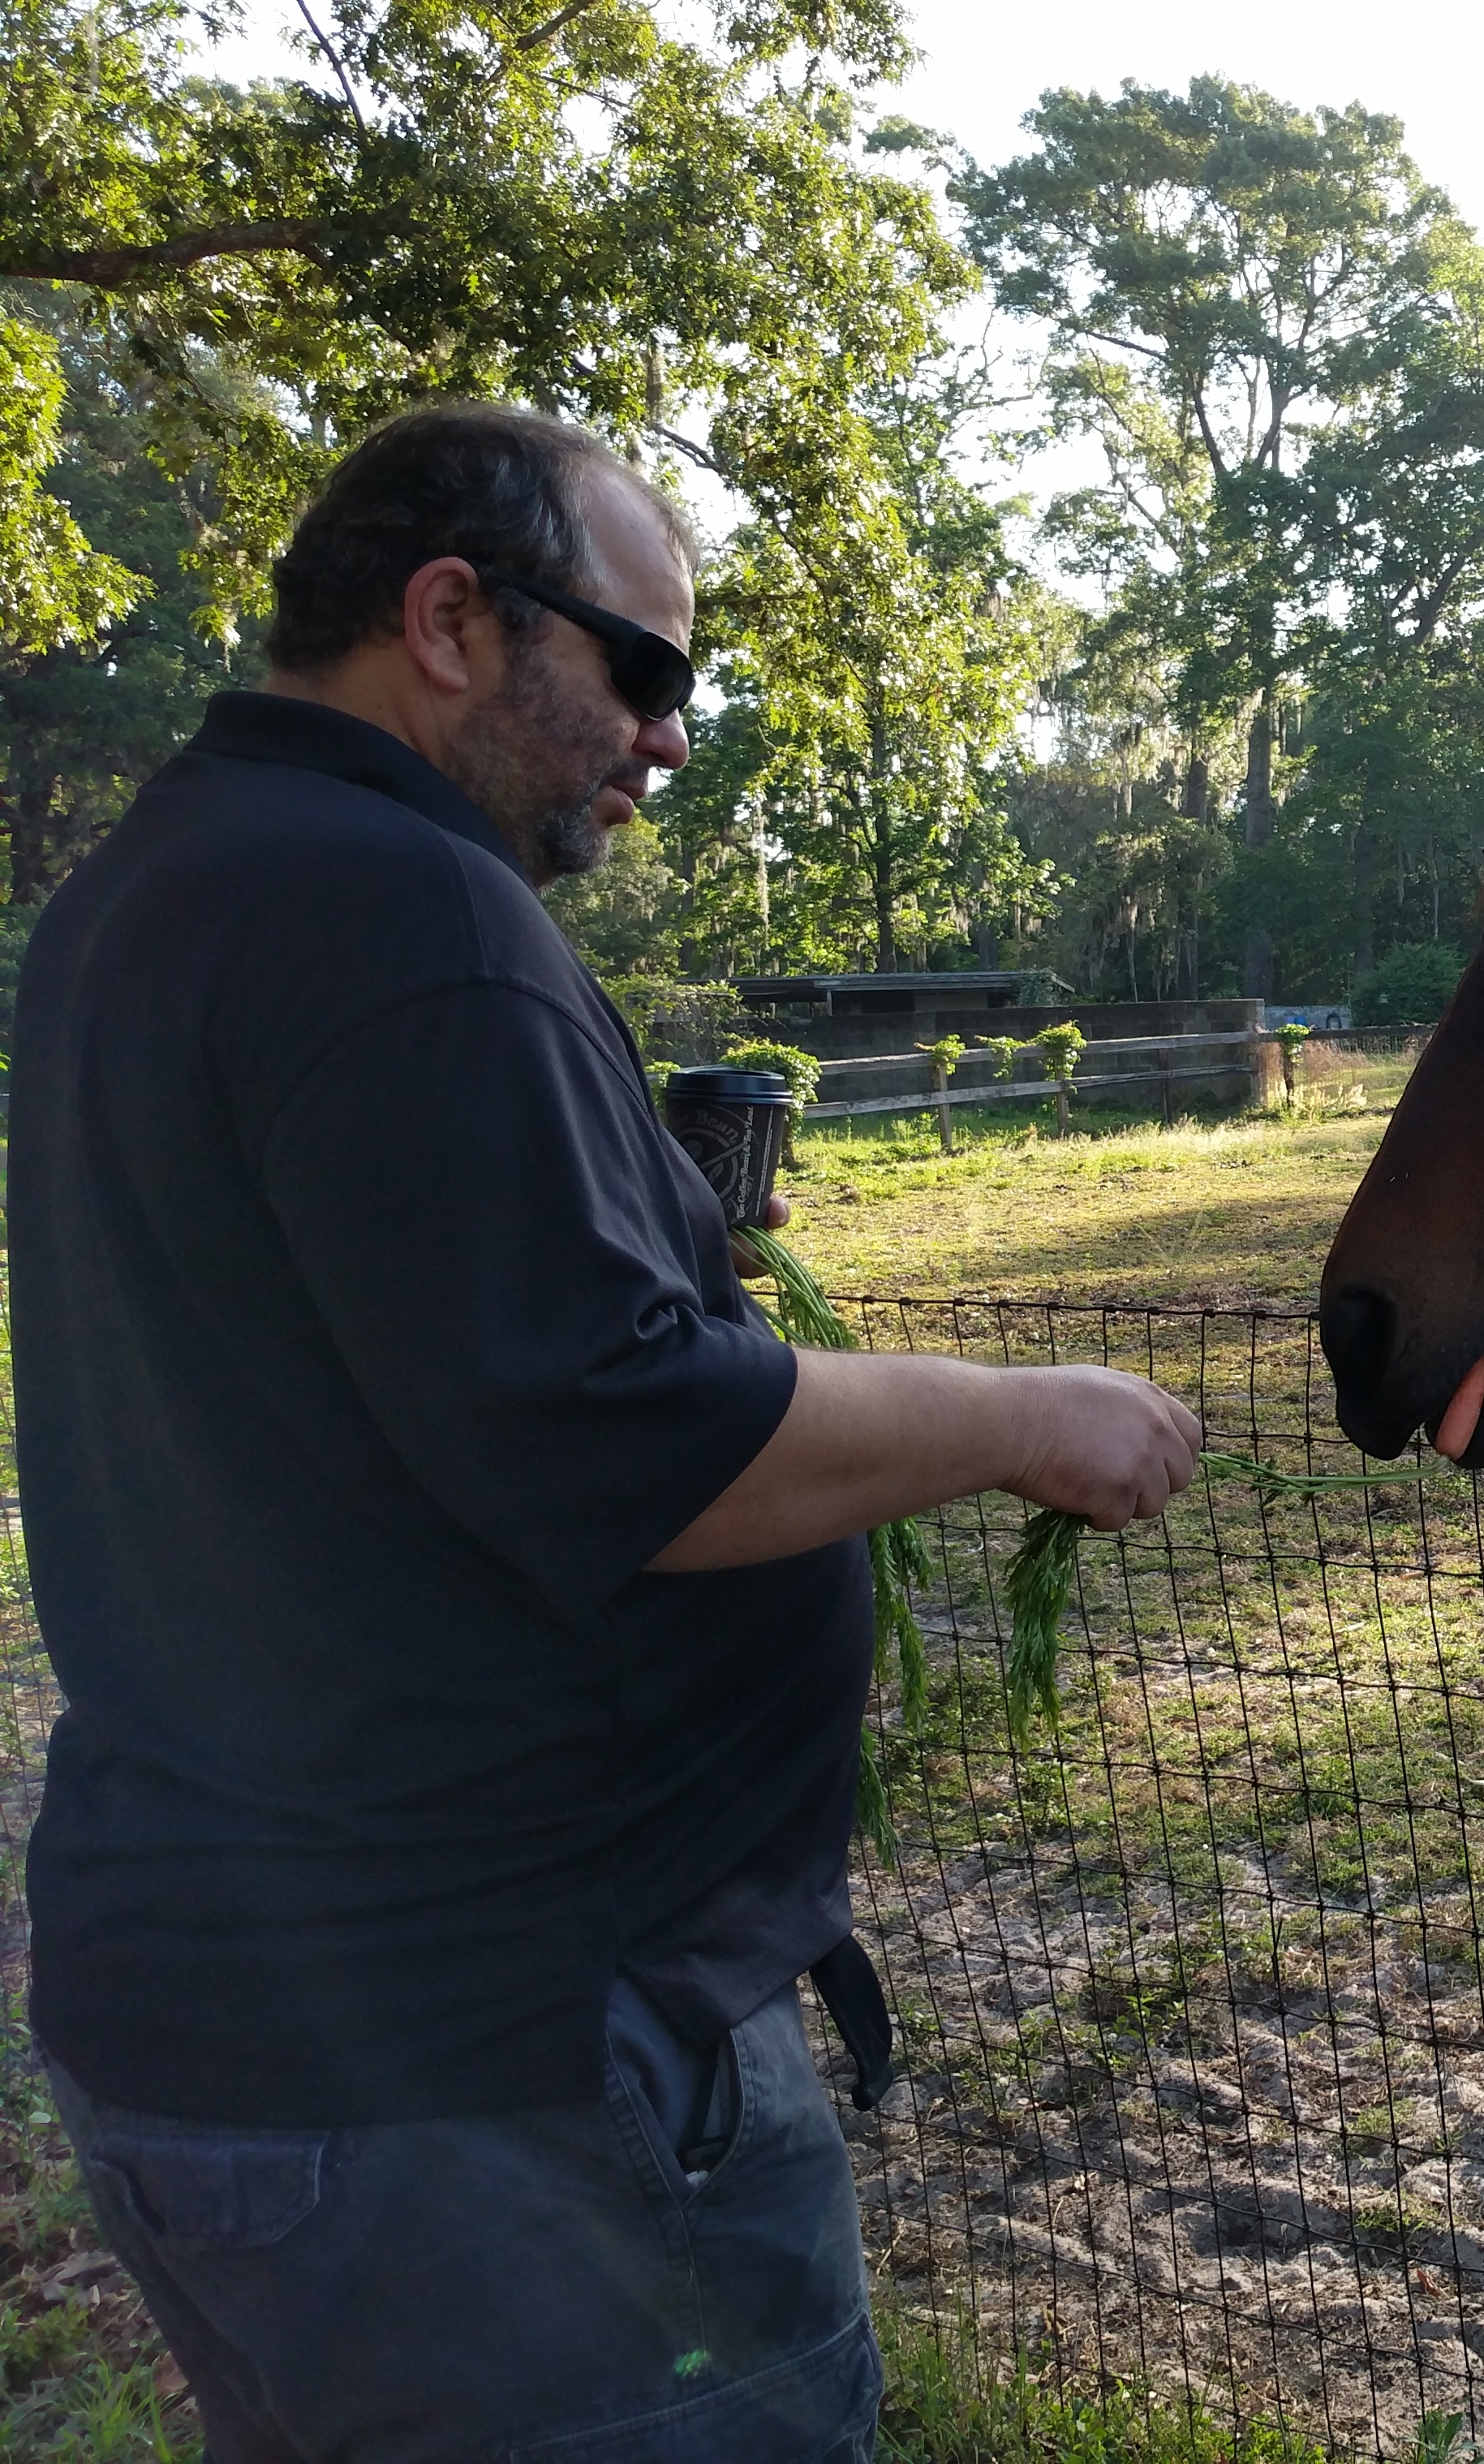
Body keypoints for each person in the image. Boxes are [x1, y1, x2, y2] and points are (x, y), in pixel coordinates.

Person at [6, 403, 1203, 2458]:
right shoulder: (405, 919)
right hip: (489, 2095)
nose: (667, 738)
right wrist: (1025, 1414)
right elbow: (635, 1442)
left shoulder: (157, 885)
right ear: (452, 620)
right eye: (643, 668)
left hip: (250, 2030)